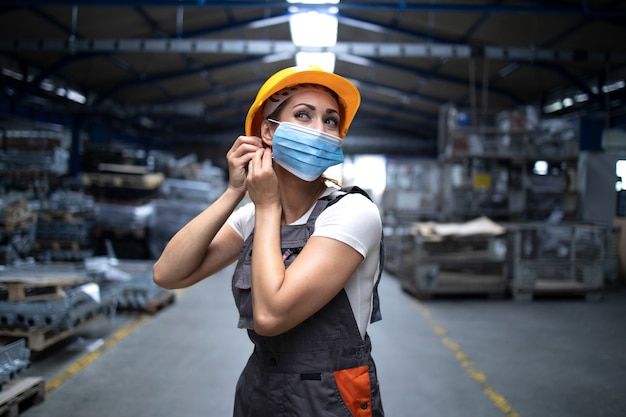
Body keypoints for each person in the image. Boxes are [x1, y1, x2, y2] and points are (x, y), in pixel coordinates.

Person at [153, 65, 384, 417]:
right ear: (269, 131)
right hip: (260, 388)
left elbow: (271, 315)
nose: (319, 130)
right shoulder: (254, 216)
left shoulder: (353, 212)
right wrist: (234, 192)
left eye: (330, 121)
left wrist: (265, 204)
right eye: (303, 115)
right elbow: (168, 273)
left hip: (330, 397)